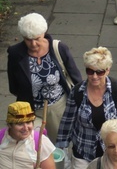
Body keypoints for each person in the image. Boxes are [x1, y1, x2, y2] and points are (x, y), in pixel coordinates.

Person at [56, 47, 117, 168]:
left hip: (111, 155)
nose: (94, 76)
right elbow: (67, 122)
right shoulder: (77, 92)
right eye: (90, 71)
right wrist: (61, 150)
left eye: (99, 72)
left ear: (107, 71)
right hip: (83, 154)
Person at [6, 13, 82, 143]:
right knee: (32, 144)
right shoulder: (14, 53)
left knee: (57, 146)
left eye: (37, 38)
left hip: (57, 108)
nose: (33, 44)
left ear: (44, 33)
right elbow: (13, 86)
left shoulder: (59, 48)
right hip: (30, 109)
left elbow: (77, 79)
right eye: (28, 39)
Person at [0, 102, 56, 169]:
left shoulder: (41, 141)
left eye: (28, 122)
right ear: (9, 125)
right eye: (20, 124)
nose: (26, 128)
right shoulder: (1, 137)